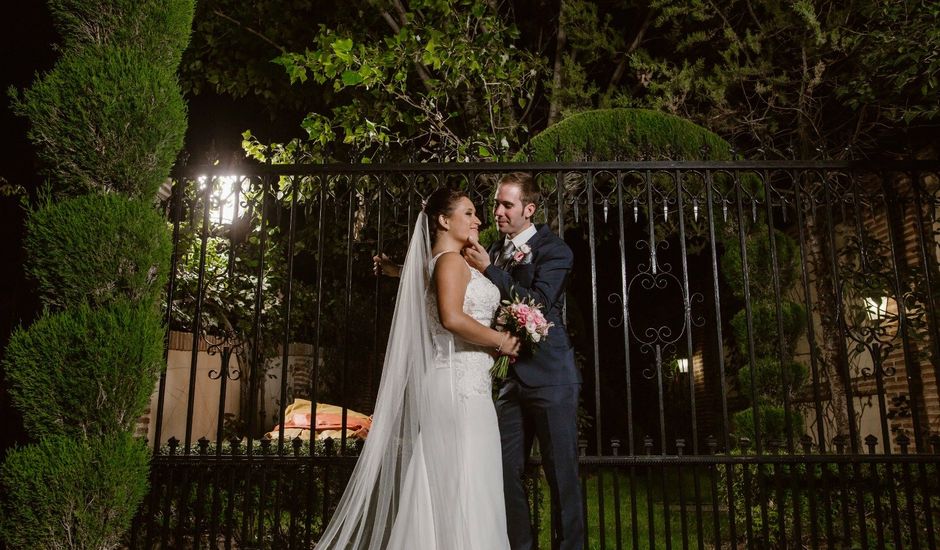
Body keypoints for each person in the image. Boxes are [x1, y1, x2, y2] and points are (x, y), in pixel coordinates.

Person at [317, 188, 519, 550]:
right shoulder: (450, 262)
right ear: (444, 220)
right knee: (466, 481)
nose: (479, 220)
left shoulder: (442, 260)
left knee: (455, 477)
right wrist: (500, 341)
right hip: (459, 386)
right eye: (470, 213)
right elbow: (452, 317)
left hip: (459, 380)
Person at [462, 172, 584, 550]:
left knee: (561, 475)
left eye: (506, 204)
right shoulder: (495, 250)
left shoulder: (555, 251)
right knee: (501, 471)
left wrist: (489, 270)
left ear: (529, 210)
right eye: (497, 203)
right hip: (509, 381)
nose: (497, 210)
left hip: (551, 379)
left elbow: (539, 304)